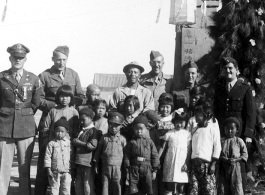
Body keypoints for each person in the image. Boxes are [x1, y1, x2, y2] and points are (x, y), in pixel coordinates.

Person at [0, 43, 41, 195]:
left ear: (25, 60)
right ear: (10, 58)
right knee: (3, 167)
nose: (18, 60)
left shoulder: (34, 79)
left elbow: (36, 103)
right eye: (15, 57)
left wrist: (24, 114)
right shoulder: (1, 77)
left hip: (26, 127)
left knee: (24, 167)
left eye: (21, 58)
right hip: (5, 127)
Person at [36, 85, 79, 195]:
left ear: (71, 98)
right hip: (54, 146)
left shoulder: (74, 112)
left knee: (67, 174)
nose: (65, 99)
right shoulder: (53, 111)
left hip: (67, 147)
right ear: (58, 97)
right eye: (62, 96)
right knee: (53, 174)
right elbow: (45, 127)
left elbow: (76, 130)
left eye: (67, 96)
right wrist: (48, 140)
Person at [190, 99, 221, 195]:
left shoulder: (212, 129)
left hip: (206, 165)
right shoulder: (194, 130)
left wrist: (213, 164)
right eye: (195, 114)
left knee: (208, 189)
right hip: (195, 164)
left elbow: (217, 146)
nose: (195, 116)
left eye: (198, 114)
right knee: (194, 189)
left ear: (205, 116)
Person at [124, 115, 160, 195]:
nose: (139, 131)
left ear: (146, 129)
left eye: (141, 129)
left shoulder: (150, 142)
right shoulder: (131, 142)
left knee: (147, 188)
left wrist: (155, 170)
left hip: (147, 168)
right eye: (136, 129)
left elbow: (155, 156)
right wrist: (127, 170)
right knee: (134, 189)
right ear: (133, 129)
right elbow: (127, 156)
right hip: (134, 168)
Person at [93, 112, 127, 195]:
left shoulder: (122, 139)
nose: (113, 128)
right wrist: (96, 164)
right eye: (111, 124)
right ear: (108, 124)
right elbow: (98, 151)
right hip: (105, 167)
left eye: (116, 125)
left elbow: (126, 155)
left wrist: (126, 167)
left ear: (121, 126)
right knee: (105, 186)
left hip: (118, 168)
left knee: (117, 185)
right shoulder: (104, 137)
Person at [159, 110, 191, 195]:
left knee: (181, 185)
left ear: (185, 122)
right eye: (177, 122)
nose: (179, 125)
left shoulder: (187, 134)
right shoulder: (170, 133)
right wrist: (158, 158)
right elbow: (163, 147)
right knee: (169, 183)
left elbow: (189, 150)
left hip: (182, 162)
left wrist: (186, 163)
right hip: (170, 162)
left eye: (181, 122)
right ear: (174, 122)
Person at [73, 107, 98, 195]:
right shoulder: (80, 129)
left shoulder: (93, 131)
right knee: (78, 184)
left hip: (87, 163)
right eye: (80, 120)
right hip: (78, 162)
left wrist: (79, 143)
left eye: (84, 120)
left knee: (87, 185)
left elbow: (92, 146)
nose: (81, 122)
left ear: (91, 118)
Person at [219, 117, 248, 195]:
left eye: (232, 128)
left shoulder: (239, 141)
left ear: (237, 130)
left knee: (236, 188)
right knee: (223, 188)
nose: (229, 131)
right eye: (227, 129)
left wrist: (236, 160)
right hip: (223, 169)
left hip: (236, 169)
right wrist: (224, 159)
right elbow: (217, 154)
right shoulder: (221, 141)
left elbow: (245, 154)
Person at [44, 118, 73, 195]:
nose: (59, 133)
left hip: (67, 171)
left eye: (62, 131)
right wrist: (48, 169)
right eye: (58, 131)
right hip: (55, 172)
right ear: (54, 131)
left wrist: (72, 168)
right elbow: (47, 157)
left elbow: (72, 155)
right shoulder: (51, 144)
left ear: (67, 132)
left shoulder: (69, 143)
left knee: (66, 190)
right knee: (54, 190)